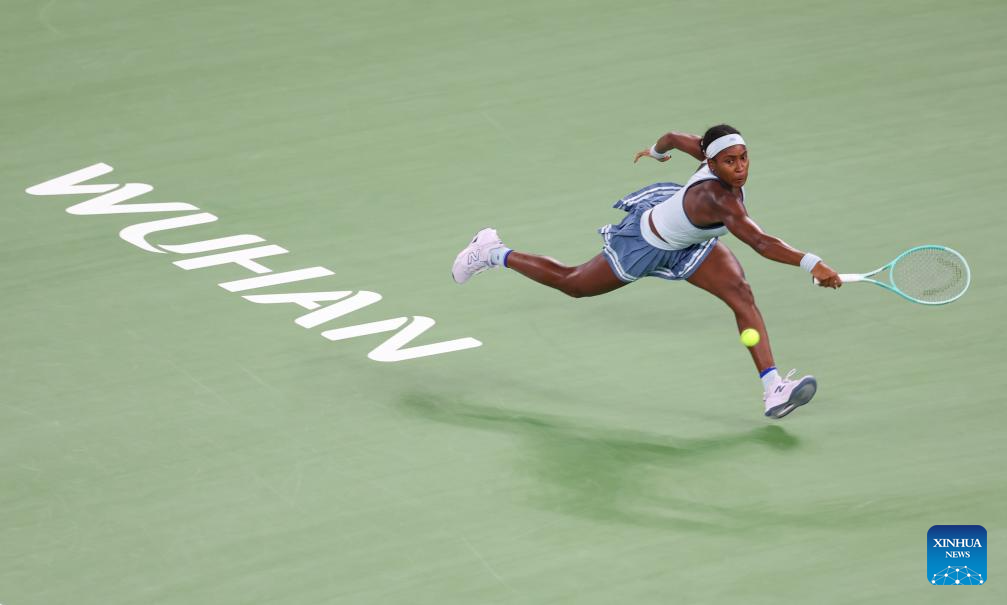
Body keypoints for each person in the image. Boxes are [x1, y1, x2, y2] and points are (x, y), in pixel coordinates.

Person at [450, 124, 842, 419]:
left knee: (741, 295)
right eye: (729, 162)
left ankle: (773, 388)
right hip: (646, 243)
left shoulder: (707, 152)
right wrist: (812, 263)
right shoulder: (718, 198)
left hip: (691, 242)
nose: (739, 168)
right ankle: (492, 252)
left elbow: (672, 137)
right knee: (573, 284)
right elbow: (760, 242)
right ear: (710, 163)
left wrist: (656, 152)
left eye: (743, 158)